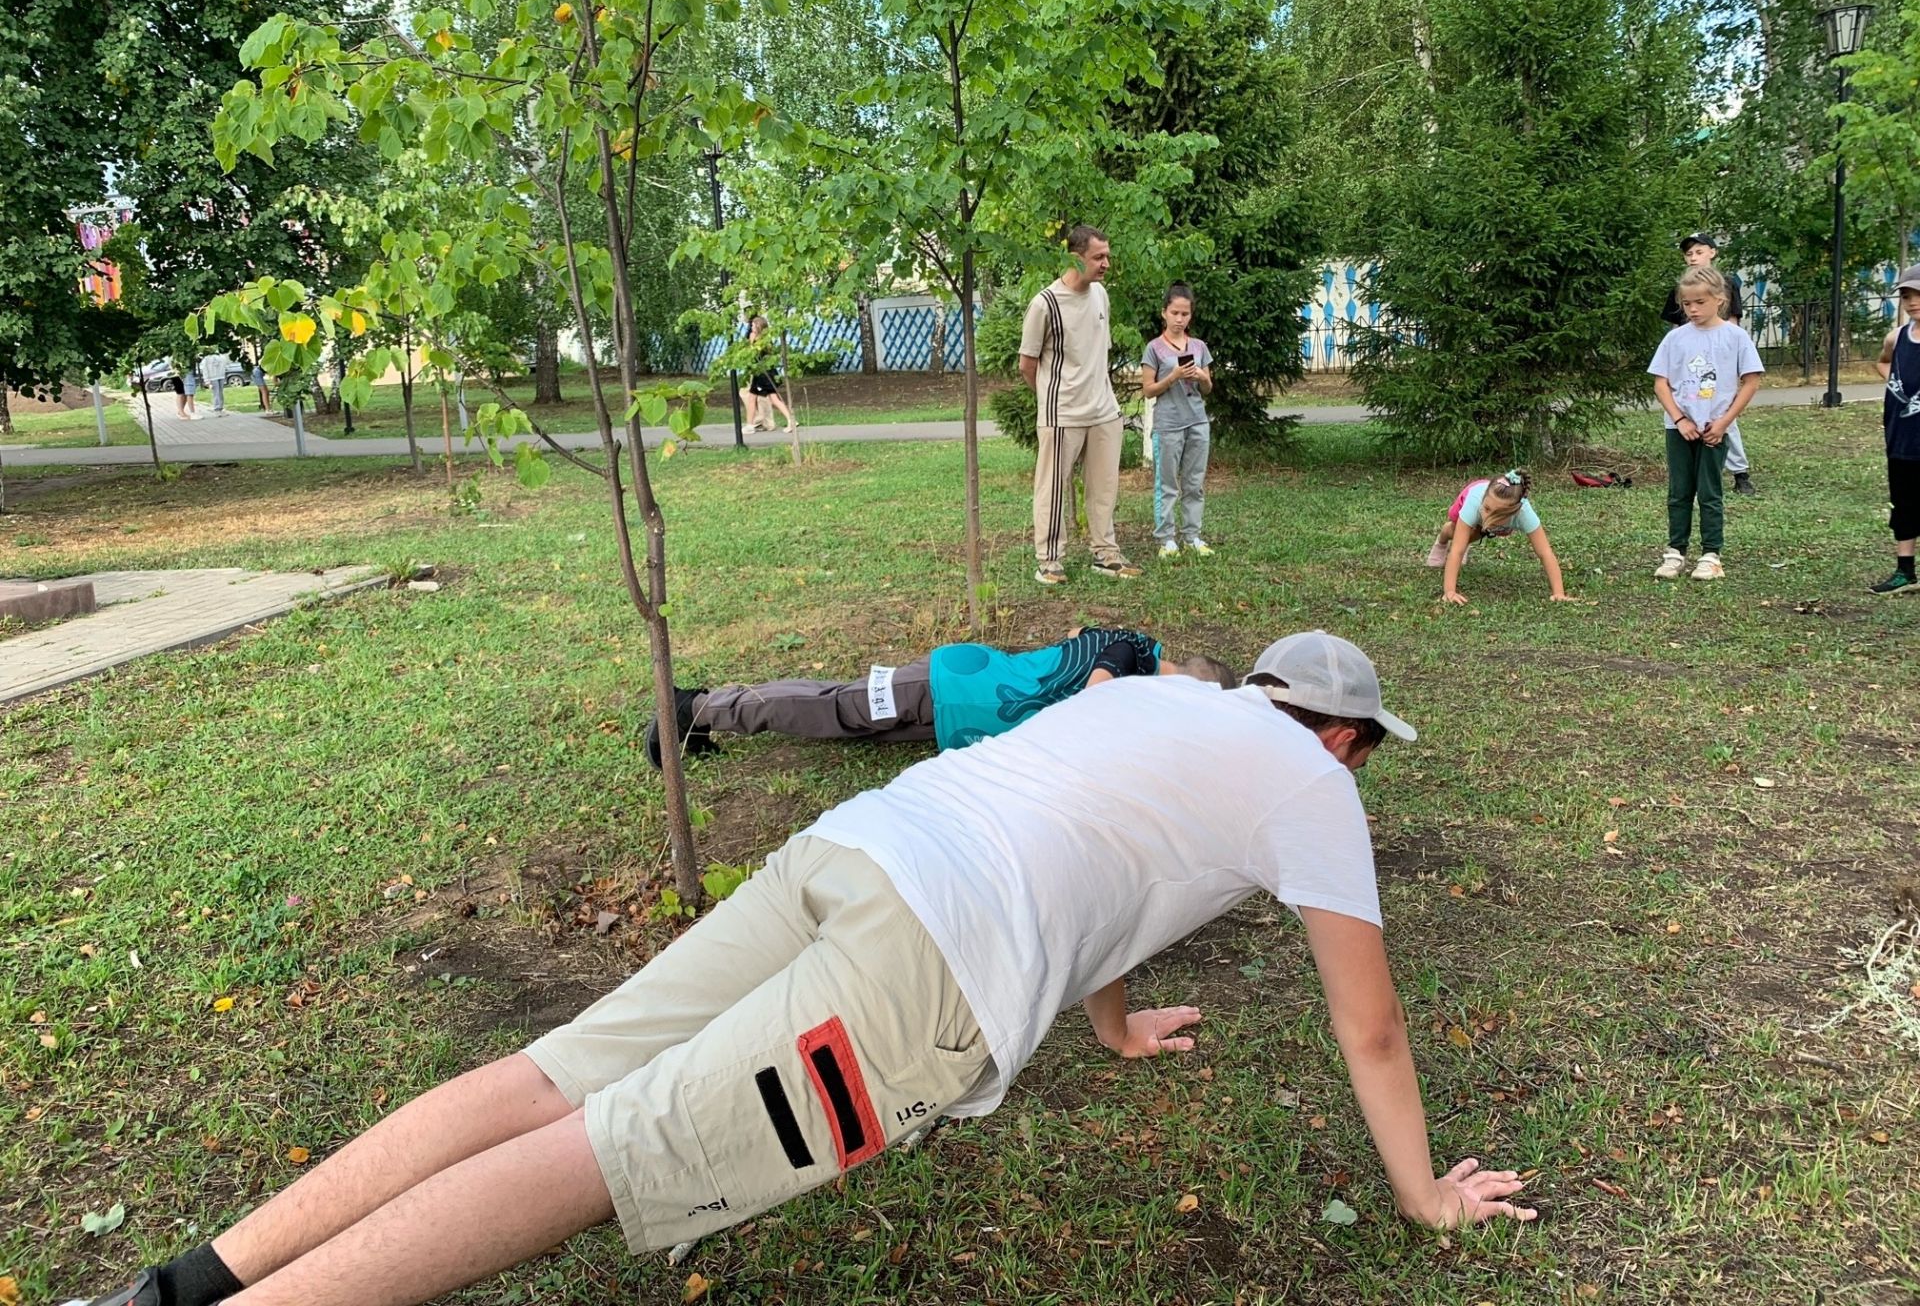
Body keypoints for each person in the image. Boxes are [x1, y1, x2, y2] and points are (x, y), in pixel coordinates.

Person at [62, 631, 1533, 1306]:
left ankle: (177, 1286)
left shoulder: (1158, 698)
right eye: (1364, 754)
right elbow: (1374, 1031)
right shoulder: (1315, 790)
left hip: (859, 850)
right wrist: (1420, 1195)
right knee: (598, 1154)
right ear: (1342, 736)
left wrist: (1112, 1020)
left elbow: (1097, 863)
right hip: (924, 979)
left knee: (549, 1076)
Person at [644, 626, 1238, 766]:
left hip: (961, 721)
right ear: (1188, 675)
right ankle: (693, 707)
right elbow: (1094, 701)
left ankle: (705, 715)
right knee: (834, 706)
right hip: (953, 682)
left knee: (847, 725)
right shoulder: (1134, 655)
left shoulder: (1141, 674)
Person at [1021, 225, 1140, 584]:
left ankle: (1105, 554)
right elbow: (1027, 365)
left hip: (1103, 410)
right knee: (1052, 489)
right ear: (1075, 257)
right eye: (1098, 257)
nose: (1106, 263)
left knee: (1104, 488)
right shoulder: (1045, 304)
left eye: (1107, 256)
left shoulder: (1101, 295)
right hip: (1063, 414)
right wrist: (1052, 400)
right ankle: (1049, 560)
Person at [1649, 264, 1763, 581]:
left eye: (1700, 302)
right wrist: (1680, 419)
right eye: (1687, 304)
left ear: (1719, 300)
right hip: (1679, 429)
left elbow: (1751, 381)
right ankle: (1676, 553)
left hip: (1714, 429)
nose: (1693, 309)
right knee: (1679, 492)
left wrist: (1724, 422)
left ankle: (1711, 555)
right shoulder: (1675, 339)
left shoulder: (1735, 337)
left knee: (1710, 493)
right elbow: (1661, 384)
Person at [1662, 234, 1755, 495]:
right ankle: (1689, 470)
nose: (1693, 258)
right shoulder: (1680, 287)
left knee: (1722, 417)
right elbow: (1675, 327)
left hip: (1717, 362)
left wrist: (1730, 362)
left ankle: (1740, 472)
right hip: (1689, 362)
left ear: (1712, 253)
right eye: (1689, 254)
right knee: (1687, 411)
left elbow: (1733, 323)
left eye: (1699, 252)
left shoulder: (1726, 285)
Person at [1141, 282, 1214, 558]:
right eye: (1175, 313)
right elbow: (1148, 390)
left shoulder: (1198, 347)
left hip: (1197, 421)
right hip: (1168, 424)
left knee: (1194, 483)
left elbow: (1208, 388)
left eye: (1185, 314)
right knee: (1167, 484)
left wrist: (1201, 376)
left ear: (1191, 315)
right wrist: (1172, 377)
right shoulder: (1154, 349)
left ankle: (1192, 535)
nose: (1179, 319)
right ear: (1164, 313)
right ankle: (1166, 539)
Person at [1425, 470, 1571, 604]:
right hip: (1470, 495)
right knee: (1454, 531)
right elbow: (1456, 551)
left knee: (1475, 533)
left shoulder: (1524, 514)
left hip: (1495, 523)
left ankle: (1467, 540)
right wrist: (1449, 592)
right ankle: (1441, 542)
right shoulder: (1475, 502)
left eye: (1498, 514)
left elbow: (1545, 553)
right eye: (1487, 509)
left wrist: (1559, 593)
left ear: (1513, 512)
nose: (1488, 516)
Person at [1871, 263, 1920, 596]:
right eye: (1906, 295)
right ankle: (1905, 572)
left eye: (1918, 294)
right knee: (1903, 504)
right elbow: (1883, 361)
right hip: (1901, 438)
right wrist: (1898, 388)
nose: (1912, 301)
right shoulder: (1898, 336)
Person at [743, 315, 795, 434]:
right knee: (772, 398)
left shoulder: (757, 338)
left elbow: (752, 354)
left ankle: (750, 425)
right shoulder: (767, 339)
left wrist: (751, 340)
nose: (751, 327)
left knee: (755, 398)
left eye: (753, 325)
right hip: (767, 371)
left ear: (758, 327)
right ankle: (790, 420)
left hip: (762, 373)